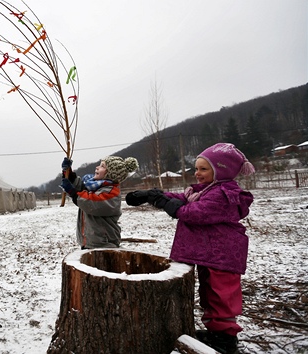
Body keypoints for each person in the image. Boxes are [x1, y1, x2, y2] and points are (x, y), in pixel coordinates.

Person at [125, 143, 255, 354]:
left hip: (223, 255)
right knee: (209, 293)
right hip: (210, 254)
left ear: (221, 170)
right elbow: (182, 198)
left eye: (204, 169)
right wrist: (153, 195)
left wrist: (164, 204)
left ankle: (226, 338)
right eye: (196, 168)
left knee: (222, 297)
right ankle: (215, 332)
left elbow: (193, 213)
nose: (197, 173)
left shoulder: (223, 194)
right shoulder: (206, 190)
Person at [60, 155, 139, 249]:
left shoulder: (111, 192)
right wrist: (68, 173)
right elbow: (80, 187)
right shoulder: (93, 185)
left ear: (111, 173)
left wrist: (73, 193)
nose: (97, 167)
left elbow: (90, 203)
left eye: (102, 166)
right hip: (90, 242)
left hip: (104, 243)